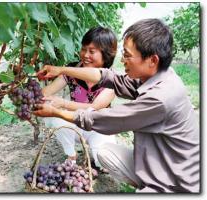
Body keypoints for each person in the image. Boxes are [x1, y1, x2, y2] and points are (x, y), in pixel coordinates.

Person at [34, 18, 200, 193]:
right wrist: (62, 69)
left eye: (127, 55)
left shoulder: (161, 98)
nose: (123, 59)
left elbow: (106, 118)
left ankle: (155, 189)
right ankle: (148, 181)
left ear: (152, 60)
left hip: (177, 180)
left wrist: (55, 111)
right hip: (158, 162)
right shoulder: (159, 75)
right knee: (106, 154)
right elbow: (110, 77)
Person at [41, 26, 118, 170]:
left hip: (98, 127)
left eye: (92, 51)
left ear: (106, 55)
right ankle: (71, 156)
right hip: (75, 122)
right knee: (53, 117)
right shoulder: (73, 69)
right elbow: (47, 91)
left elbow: (94, 108)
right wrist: (31, 89)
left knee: (104, 163)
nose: (85, 55)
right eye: (84, 49)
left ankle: (98, 158)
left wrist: (62, 103)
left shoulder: (113, 79)